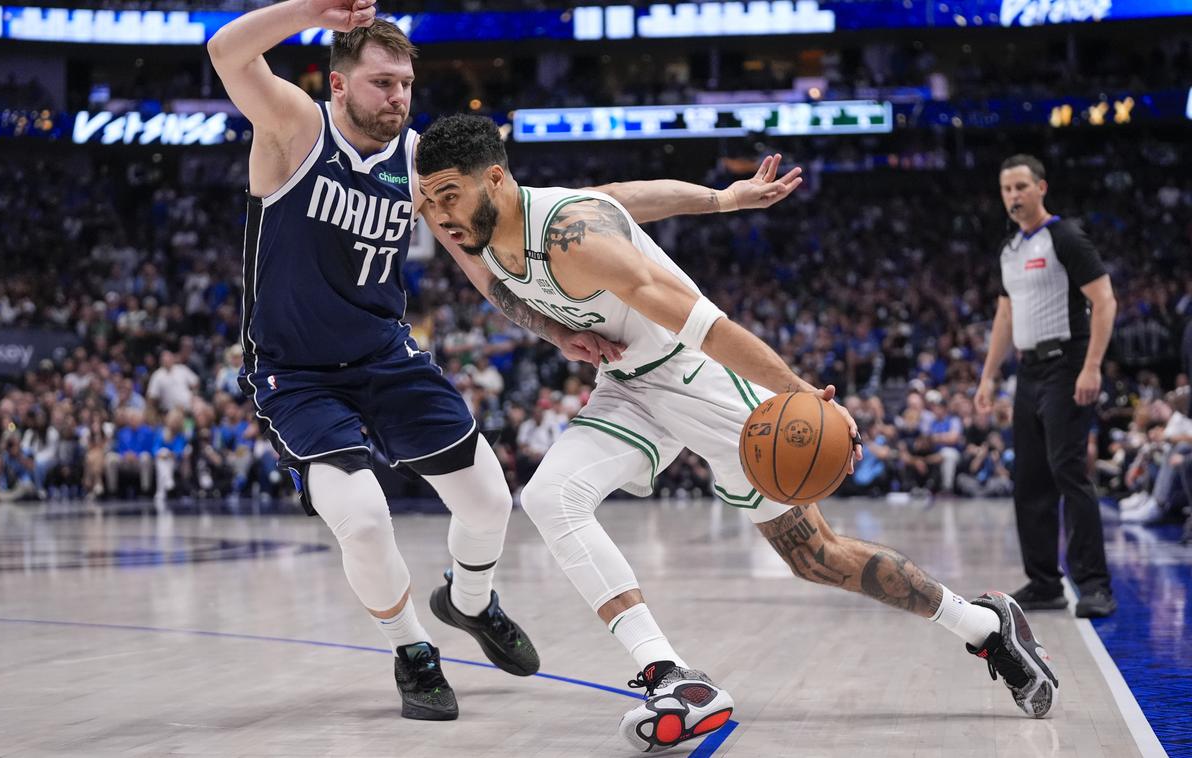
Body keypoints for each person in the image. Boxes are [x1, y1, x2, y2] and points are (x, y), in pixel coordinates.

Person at [208, 1, 800, 721]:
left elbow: (478, 260)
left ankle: (470, 600)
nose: (397, 97)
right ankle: (413, 651)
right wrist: (311, 8)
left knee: (490, 500)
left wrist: (552, 330)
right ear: (338, 85)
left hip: (385, 354)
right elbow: (227, 52)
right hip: (296, 372)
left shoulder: (419, 160)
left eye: (406, 83)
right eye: (381, 83)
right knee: (362, 518)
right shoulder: (295, 127)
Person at [416, 115, 1060, 752]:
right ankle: (671, 677)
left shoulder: (571, 239)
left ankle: (983, 624)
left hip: (702, 377)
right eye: (429, 200)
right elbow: (621, 197)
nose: (440, 215)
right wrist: (719, 200)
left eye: (450, 196)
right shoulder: (492, 226)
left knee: (816, 558)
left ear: (495, 179)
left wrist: (801, 395)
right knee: (551, 496)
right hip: (628, 385)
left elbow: (712, 329)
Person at [976, 154, 1118, 618]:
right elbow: (1004, 315)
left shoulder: (1066, 237)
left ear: (1041, 188)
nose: (1013, 196)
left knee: (1068, 472)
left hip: (1068, 364)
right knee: (1030, 481)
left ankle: (1095, 585)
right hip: (1029, 372)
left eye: (1021, 186)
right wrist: (989, 375)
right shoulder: (1010, 249)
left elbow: (1104, 300)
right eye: (1006, 189)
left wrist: (1092, 366)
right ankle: (1044, 583)